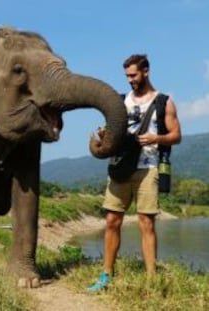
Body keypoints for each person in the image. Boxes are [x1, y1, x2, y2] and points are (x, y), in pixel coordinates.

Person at [89, 54, 181, 291]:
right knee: (111, 221)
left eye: (134, 75)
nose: (130, 80)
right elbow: (112, 131)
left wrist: (157, 137)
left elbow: (176, 135)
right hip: (120, 167)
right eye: (127, 76)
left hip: (148, 169)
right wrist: (103, 133)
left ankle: (151, 279)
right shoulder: (120, 101)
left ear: (146, 71)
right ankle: (106, 275)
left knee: (146, 223)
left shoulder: (164, 101)